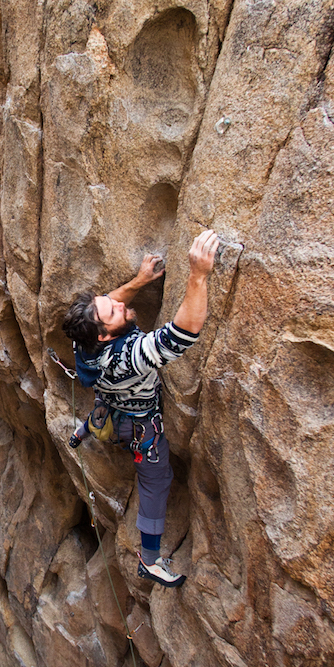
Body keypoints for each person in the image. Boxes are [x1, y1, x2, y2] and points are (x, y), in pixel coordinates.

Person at [61, 230, 220, 588]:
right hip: (139, 426)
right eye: (114, 311)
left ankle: (83, 429)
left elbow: (107, 303)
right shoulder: (126, 358)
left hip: (110, 401)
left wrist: (140, 281)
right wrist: (198, 275)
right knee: (156, 480)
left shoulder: (83, 337)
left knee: (106, 407)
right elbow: (181, 334)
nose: (119, 304)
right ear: (104, 335)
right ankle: (149, 560)